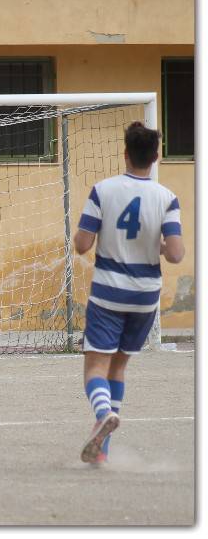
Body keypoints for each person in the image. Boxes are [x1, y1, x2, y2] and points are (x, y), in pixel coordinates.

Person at [73, 122, 184, 465]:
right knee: (118, 368)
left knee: (95, 366)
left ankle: (104, 411)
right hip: (146, 294)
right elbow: (177, 253)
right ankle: (101, 452)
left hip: (109, 291)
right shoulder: (167, 198)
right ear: (156, 156)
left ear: (125, 154)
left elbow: (81, 244)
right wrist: (163, 246)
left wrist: (94, 235)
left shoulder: (102, 190)